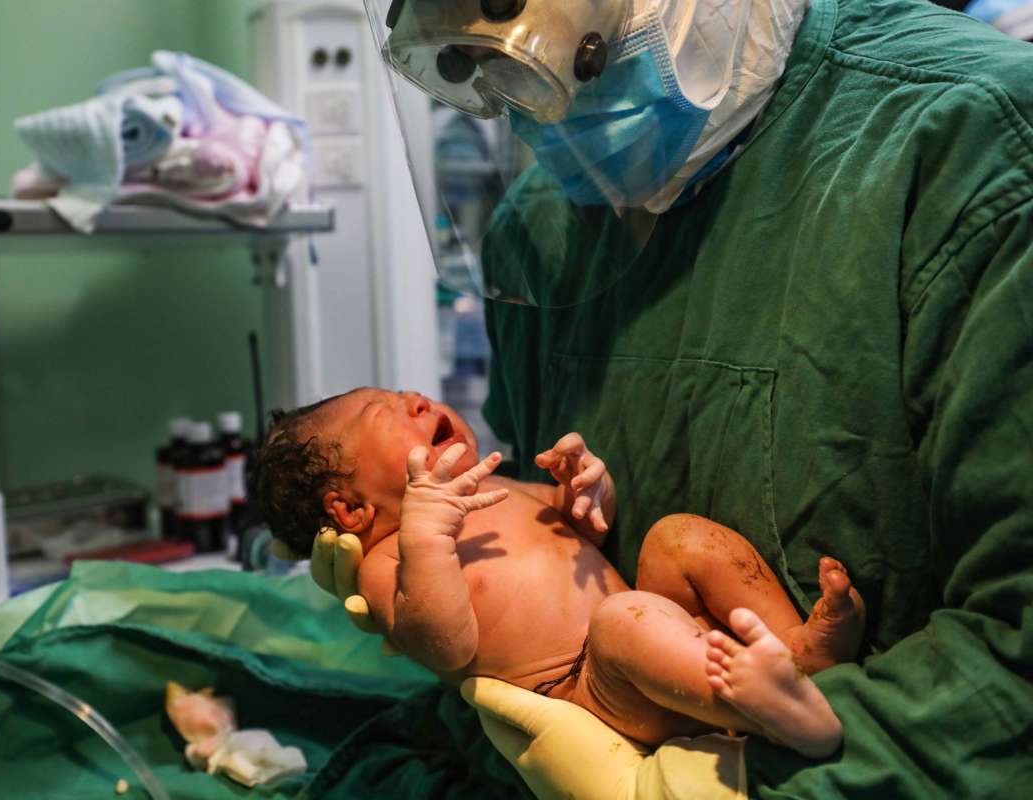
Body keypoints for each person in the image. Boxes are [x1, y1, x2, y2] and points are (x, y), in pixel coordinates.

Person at [307, 0, 1033, 796]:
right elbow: (547, 568)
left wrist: (719, 784)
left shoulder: (976, 146)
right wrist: (431, 583)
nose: (523, 105)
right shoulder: (542, 228)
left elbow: (1009, 671)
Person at [256, 388, 865, 760]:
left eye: (405, 393)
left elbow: (579, 527)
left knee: (676, 536)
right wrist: (427, 532)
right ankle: (770, 713)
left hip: (654, 628)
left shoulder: (494, 488)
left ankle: (797, 653)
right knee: (623, 621)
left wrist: (588, 487)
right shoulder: (389, 563)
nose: (417, 399)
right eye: (382, 411)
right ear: (350, 510)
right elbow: (447, 643)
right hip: (594, 687)